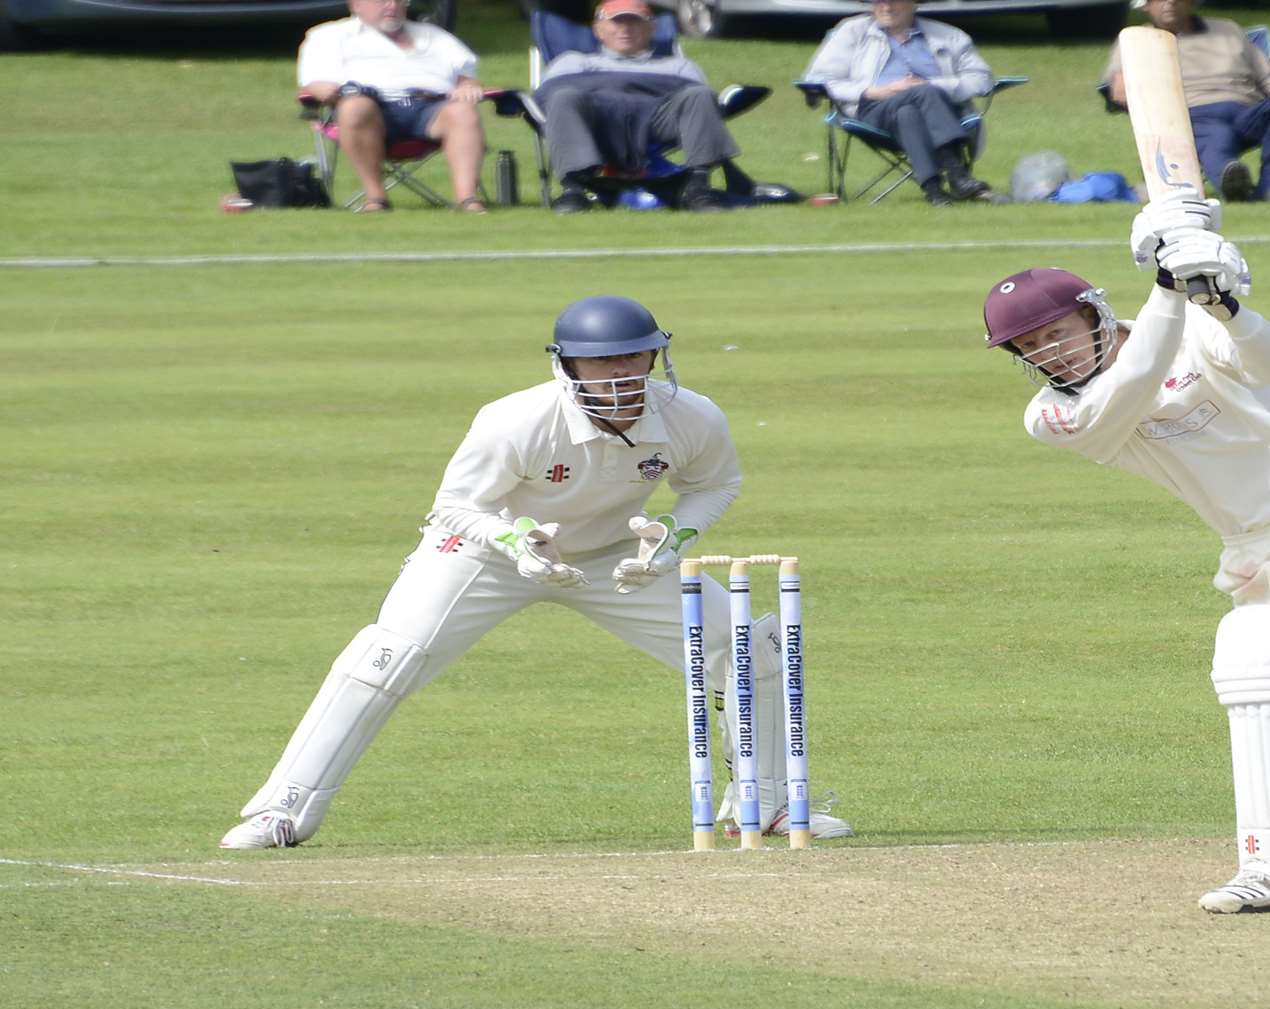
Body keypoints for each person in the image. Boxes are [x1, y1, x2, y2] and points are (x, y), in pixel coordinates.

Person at [219, 295, 851, 849]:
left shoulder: (693, 416)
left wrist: (672, 539)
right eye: (605, 361)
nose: (623, 373)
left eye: (636, 357)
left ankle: (765, 806)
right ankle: (284, 809)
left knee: (752, 651)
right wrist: (515, 540)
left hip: (614, 558)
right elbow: (456, 506)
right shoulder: (515, 420)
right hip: (486, 555)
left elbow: (715, 486)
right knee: (387, 658)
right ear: (567, 363)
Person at [979, 196, 1270, 912]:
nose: (1046, 355)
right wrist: (1167, 286)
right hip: (1256, 551)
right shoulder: (1056, 416)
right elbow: (1134, 384)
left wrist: (1223, 305)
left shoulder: (1189, 328)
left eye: (1053, 333)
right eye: (1027, 348)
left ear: (1094, 313)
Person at [538, 0, 771, 214]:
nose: (625, 29)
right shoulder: (573, 62)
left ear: (653, 29)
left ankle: (698, 188)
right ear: (598, 29)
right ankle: (574, 190)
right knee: (563, 96)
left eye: (635, 22)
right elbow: (542, 101)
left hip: (658, 122)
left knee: (698, 95)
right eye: (616, 21)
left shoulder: (677, 67)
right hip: (594, 121)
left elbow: (706, 108)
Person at [1104, 0, 1270, 202]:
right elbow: (1119, 91)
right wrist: (1140, 100)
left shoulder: (1227, 30)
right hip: (1191, 114)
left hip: (1246, 111)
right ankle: (1231, 183)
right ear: (1145, 6)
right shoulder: (1137, 41)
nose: (1171, 3)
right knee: (1218, 138)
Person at [296, 0, 490, 213]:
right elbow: (316, 83)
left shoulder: (434, 36)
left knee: (463, 111)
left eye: (399, 0)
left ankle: (468, 199)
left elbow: (466, 75)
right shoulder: (329, 36)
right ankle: (375, 198)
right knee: (355, 108)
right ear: (355, 5)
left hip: (431, 108)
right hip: (370, 111)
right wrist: (340, 93)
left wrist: (467, 85)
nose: (392, 6)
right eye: (382, 1)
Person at [801, 0, 997, 205]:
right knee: (921, 94)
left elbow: (981, 79)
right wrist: (874, 91)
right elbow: (818, 80)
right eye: (879, 1)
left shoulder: (949, 36)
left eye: (894, 1)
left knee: (908, 111)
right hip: (874, 111)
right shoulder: (851, 32)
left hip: (940, 111)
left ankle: (934, 191)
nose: (886, 7)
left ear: (914, 3)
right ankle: (957, 173)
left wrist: (933, 85)